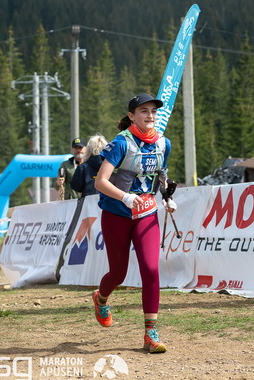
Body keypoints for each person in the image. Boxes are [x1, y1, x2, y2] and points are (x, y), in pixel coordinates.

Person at [93, 93, 177, 353]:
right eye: (144, 111)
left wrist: (167, 197)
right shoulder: (121, 143)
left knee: (150, 270)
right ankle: (101, 298)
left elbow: (161, 175)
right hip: (117, 213)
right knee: (118, 273)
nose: (150, 115)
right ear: (131, 116)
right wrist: (125, 197)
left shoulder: (163, 143)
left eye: (153, 111)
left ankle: (151, 333)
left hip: (147, 213)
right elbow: (100, 182)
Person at [70, 134, 108, 198]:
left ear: (88, 149)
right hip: (108, 201)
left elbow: (76, 187)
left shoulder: (82, 167)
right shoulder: (112, 166)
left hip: (89, 201)